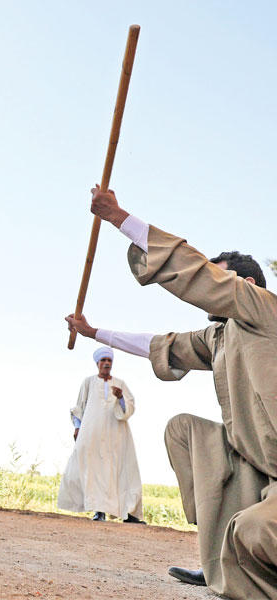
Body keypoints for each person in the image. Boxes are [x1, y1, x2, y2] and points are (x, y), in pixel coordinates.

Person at [65, 185, 277, 599]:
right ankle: (220, 560)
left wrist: (119, 218)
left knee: (257, 532)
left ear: (247, 283)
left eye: (221, 277)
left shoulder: (264, 307)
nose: (206, 292)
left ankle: (242, 558)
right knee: (184, 430)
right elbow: (160, 345)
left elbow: (194, 271)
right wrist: (94, 332)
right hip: (264, 466)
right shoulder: (220, 336)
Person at [57, 347, 143, 523]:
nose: (106, 363)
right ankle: (99, 511)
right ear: (97, 363)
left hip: (116, 435)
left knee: (122, 470)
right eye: (103, 360)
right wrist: (77, 427)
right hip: (92, 433)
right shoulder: (88, 382)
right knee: (94, 469)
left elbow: (130, 407)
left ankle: (130, 513)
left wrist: (120, 398)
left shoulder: (120, 384)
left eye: (109, 361)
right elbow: (79, 406)